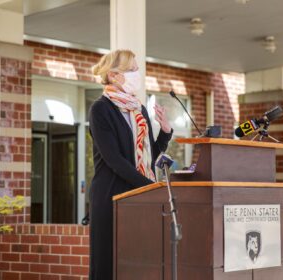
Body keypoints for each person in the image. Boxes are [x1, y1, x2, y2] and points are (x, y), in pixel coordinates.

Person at [88, 49, 173, 280]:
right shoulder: (101, 109)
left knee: (137, 261)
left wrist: (165, 132)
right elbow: (114, 159)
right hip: (111, 195)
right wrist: (149, 187)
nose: (138, 74)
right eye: (133, 69)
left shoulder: (138, 109)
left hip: (138, 194)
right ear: (114, 75)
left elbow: (150, 156)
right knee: (107, 263)